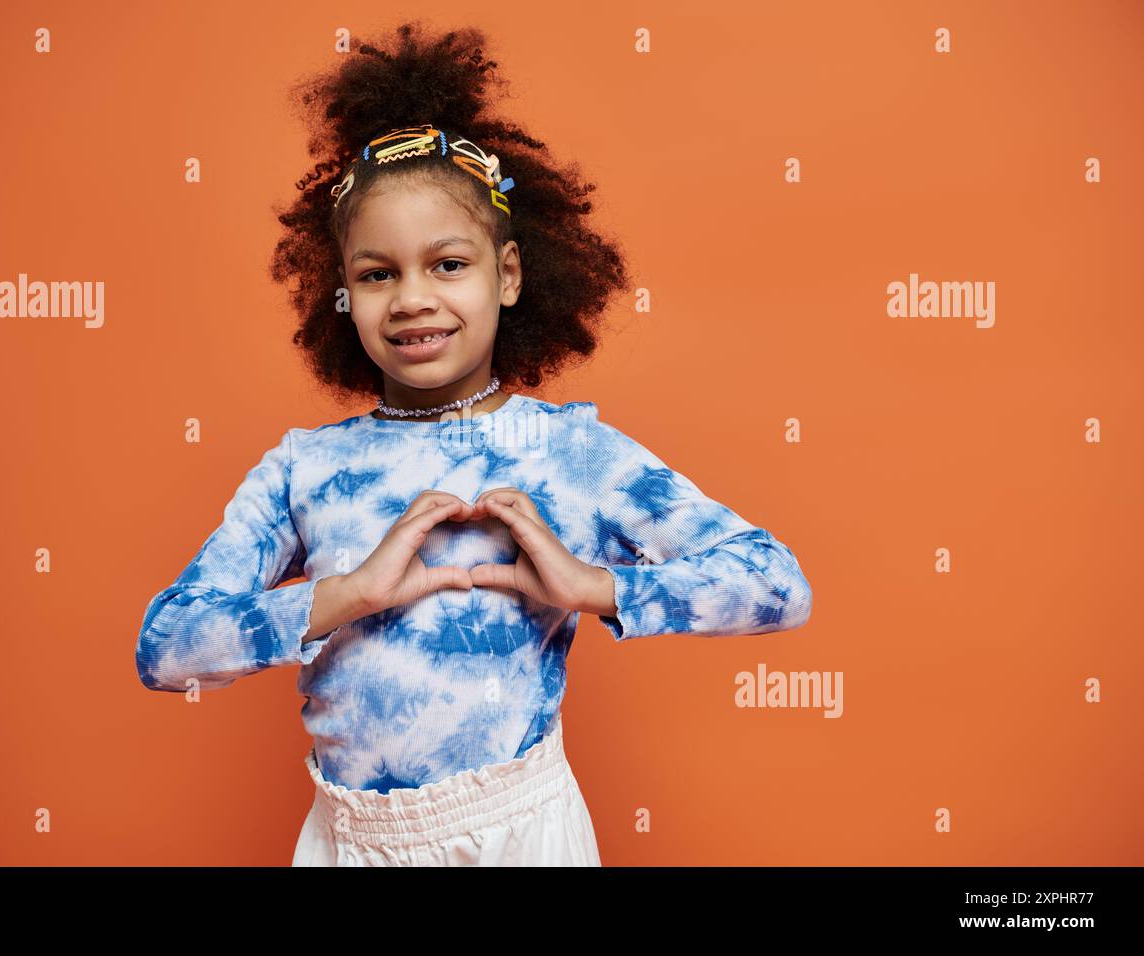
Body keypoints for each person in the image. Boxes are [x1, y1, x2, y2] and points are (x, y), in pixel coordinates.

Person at [135, 21, 813, 866]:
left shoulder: (569, 452)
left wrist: (597, 586)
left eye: (448, 264)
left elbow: (778, 584)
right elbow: (165, 650)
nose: (412, 298)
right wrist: (344, 594)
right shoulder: (306, 468)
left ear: (511, 274)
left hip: (521, 835)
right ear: (342, 294)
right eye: (377, 274)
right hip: (351, 843)